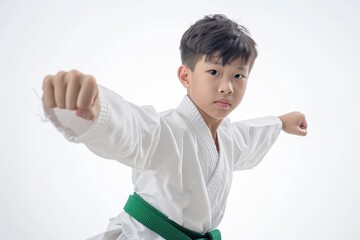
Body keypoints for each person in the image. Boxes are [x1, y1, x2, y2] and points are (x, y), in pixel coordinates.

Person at [42, 14, 307, 240]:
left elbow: (249, 135)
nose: (227, 87)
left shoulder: (227, 136)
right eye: (214, 72)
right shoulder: (166, 131)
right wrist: (94, 111)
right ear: (185, 76)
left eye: (238, 75)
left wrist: (281, 122)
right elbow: (131, 128)